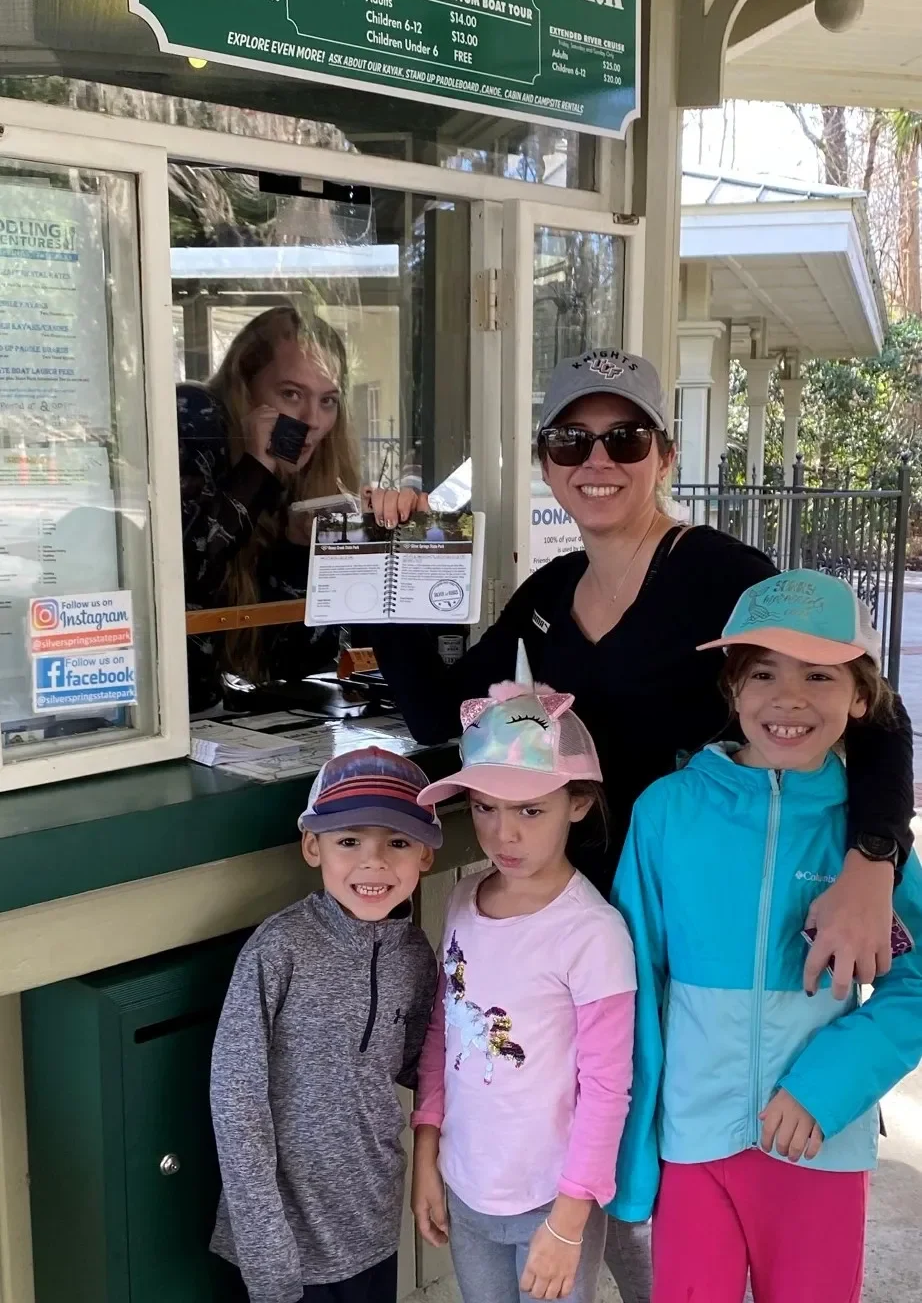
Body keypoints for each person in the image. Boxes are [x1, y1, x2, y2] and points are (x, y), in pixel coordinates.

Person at [366, 346, 914, 1302]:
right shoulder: (548, 598)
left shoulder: (721, 576)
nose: (597, 460)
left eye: (624, 437)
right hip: (590, 916)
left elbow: (871, 714)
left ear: (663, 453)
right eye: (570, 440)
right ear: (545, 460)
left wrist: (873, 859)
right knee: (611, 1174)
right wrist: (394, 560)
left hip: (699, 926)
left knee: (665, 1200)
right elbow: (436, 710)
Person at [611, 569, 922, 1303]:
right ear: (732, 689)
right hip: (694, 1143)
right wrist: (635, 1156)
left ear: (860, 698)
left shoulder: (869, 844)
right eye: (763, 672)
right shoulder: (666, 812)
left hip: (820, 1143)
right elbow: (633, 986)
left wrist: (827, 1088)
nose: (788, 697)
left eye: (819, 674)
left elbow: (915, 986)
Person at [410, 651, 635, 1303]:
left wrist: (569, 1220)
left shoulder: (592, 933)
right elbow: (443, 1033)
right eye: (484, 808)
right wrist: (427, 1154)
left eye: (529, 811)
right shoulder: (462, 900)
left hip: (551, 1203)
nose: (502, 833)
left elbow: (607, 1089)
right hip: (465, 1185)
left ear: (578, 804)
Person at [209, 746, 441, 1303]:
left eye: (398, 843)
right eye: (349, 841)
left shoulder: (415, 954)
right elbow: (236, 1100)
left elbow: (422, 1065)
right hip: (283, 1241)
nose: (374, 862)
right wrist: (264, 1246)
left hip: (373, 1220)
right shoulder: (278, 950)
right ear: (313, 847)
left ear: (426, 856)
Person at [179, 304, 361, 711]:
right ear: (244, 386)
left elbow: (301, 665)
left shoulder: (311, 473)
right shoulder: (196, 415)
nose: (312, 420)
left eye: (328, 401)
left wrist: (297, 551)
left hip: (231, 714)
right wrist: (255, 468)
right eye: (291, 394)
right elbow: (185, 573)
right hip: (165, 710)